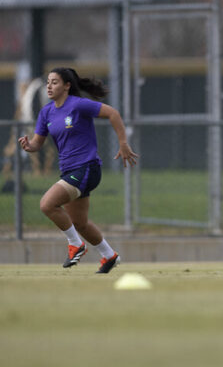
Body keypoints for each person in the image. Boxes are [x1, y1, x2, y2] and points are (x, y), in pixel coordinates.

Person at [18, 67, 138, 274]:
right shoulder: (46, 112)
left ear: (67, 86)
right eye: (48, 82)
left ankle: (76, 245)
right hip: (69, 171)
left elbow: (113, 113)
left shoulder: (78, 105)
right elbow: (38, 143)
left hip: (87, 168)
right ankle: (109, 256)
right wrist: (30, 147)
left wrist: (123, 143)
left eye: (54, 82)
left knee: (47, 204)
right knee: (79, 223)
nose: (49, 86)